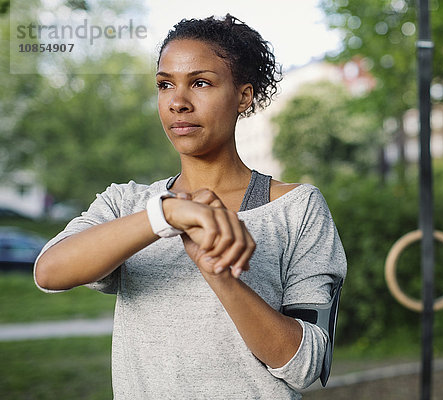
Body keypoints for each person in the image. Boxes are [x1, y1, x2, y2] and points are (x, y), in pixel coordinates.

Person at [34, 14, 347, 399]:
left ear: (243, 96)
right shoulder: (127, 204)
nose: (178, 102)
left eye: (200, 83)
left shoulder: (296, 208)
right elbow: (49, 272)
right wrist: (164, 215)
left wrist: (220, 274)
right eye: (165, 85)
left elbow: (305, 367)